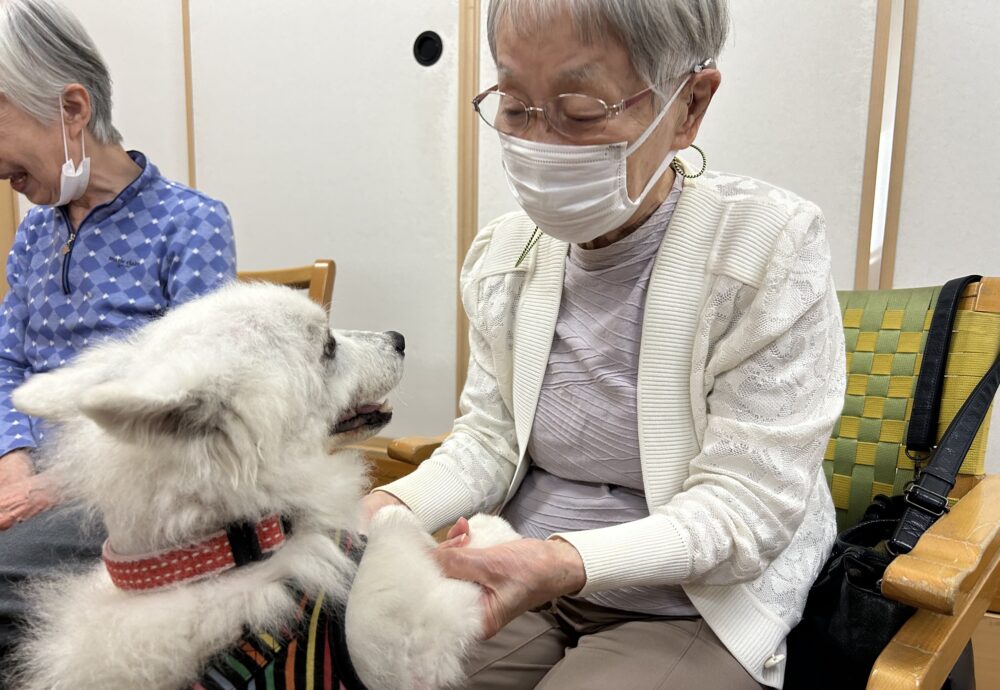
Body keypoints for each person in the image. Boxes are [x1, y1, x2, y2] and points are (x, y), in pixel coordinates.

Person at [361, 1, 846, 688]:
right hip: (524, 576)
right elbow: (492, 438)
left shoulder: (767, 248)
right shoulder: (504, 255)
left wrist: (562, 560)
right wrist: (391, 508)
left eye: (581, 110)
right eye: (514, 106)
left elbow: (744, 507)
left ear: (689, 106)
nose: (537, 143)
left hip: (689, 606)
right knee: (367, 667)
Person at [0, 0, 236, 661]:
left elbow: (191, 409)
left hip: (124, 492)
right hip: (25, 480)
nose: (4, 178)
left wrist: (58, 485)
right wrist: (14, 465)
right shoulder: (33, 234)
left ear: (72, 110)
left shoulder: (191, 225)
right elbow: (6, 364)